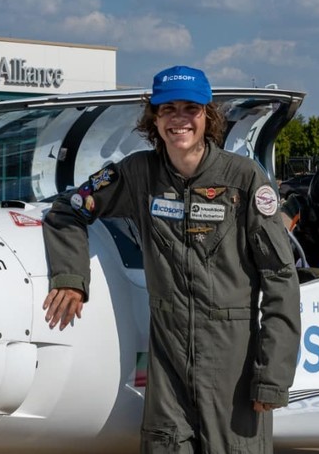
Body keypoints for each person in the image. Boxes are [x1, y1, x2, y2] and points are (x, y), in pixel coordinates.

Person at [42, 65, 301, 453]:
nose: (179, 119)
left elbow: (280, 278)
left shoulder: (244, 179)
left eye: (190, 109)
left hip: (233, 366)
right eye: (168, 109)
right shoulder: (138, 174)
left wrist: (272, 376)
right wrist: (70, 278)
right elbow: (69, 209)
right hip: (168, 365)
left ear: (207, 116)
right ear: (155, 118)